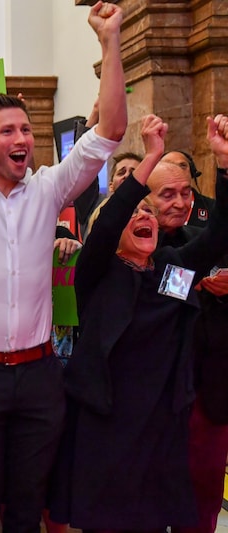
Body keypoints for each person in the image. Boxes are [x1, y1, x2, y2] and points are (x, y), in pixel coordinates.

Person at [0, 1, 127, 531]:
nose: (21, 139)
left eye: (26, 130)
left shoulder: (49, 186)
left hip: (39, 375)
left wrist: (109, 42)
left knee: (30, 499)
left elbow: (110, 131)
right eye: (7, 131)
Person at [50, 113, 228, 531]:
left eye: (148, 212)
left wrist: (223, 164)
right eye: (135, 212)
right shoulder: (96, 273)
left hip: (159, 423)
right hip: (106, 421)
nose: (143, 217)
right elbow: (111, 218)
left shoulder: (168, 268)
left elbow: (219, 235)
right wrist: (150, 157)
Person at [146, 150, 228, 533]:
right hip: (149, 401)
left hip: (205, 394)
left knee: (203, 506)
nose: (179, 203)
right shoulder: (131, 248)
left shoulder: (205, 240)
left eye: (185, 193)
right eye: (167, 195)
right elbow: (168, 279)